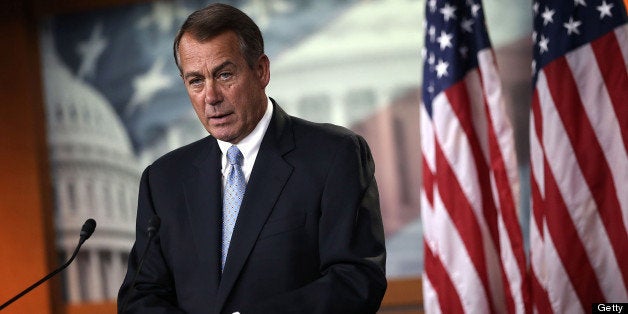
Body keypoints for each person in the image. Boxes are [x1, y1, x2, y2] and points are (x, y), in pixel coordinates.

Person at [118, 3, 386, 313]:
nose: (211, 96)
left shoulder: (333, 155)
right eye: (196, 81)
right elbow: (140, 297)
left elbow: (355, 281)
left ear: (261, 71)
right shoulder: (163, 179)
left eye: (225, 74)